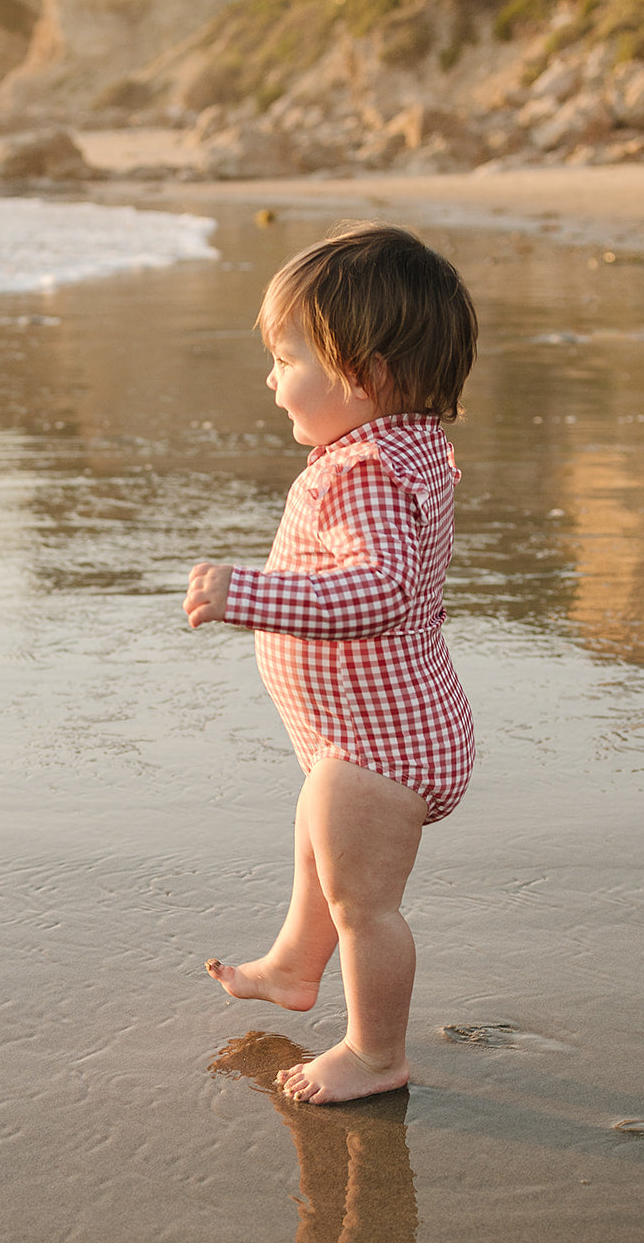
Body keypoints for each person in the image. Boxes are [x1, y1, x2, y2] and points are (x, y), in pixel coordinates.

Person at [183, 223, 478, 1106]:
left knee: (364, 906)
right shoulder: (399, 446)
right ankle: (288, 966)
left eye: (287, 358)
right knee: (322, 846)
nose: (272, 381)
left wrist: (250, 596)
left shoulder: (363, 475)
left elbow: (378, 591)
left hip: (382, 747)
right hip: (383, 729)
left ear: (366, 375)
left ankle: (375, 1052)